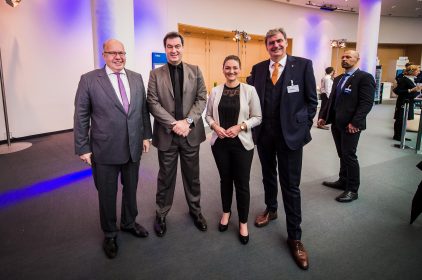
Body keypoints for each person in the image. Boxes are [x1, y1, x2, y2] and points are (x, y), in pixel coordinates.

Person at [74, 39, 152, 259]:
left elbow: (142, 110)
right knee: (107, 194)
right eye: (113, 53)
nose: (119, 57)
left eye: (122, 52)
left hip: (133, 146)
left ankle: (129, 222)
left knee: (131, 189)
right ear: (104, 55)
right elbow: (81, 116)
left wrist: (146, 135)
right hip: (104, 149)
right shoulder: (89, 80)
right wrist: (83, 147)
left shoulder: (136, 78)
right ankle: (109, 233)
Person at [247, 28, 318, 270]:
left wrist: (303, 126)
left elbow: (312, 101)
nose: (275, 45)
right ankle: (271, 209)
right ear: (266, 46)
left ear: (285, 43)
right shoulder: (257, 69)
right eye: (270, 42)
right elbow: (250, 100)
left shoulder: (303, 65)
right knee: (268, 176)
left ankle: (295, 237)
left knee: (291, 185)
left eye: (279, 41)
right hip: (264, 135)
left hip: (291, 137)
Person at [147, 32, 208, 237]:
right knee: (166, 177)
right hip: (168, 134)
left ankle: (196, 211)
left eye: (177, 46)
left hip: (190, 134)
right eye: (169, 47)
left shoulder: (195, 70)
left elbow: (201, 99)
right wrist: (175, 124)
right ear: (165, 49)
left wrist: (188, 122)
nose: (174, 50)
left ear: (183, 47)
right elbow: (152, 103)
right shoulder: (155, 74)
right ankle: (161, 214)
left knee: (193, 177)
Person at [206, 55, 262, 245]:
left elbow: (258, 116)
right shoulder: (215, 91)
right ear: (223, 69)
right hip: (220, 144)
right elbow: (207, 116)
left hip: (242, 144)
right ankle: (226, 212)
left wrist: (241, 126)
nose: (231, 71)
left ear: (240, 69)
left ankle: (243, 222)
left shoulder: (250, 90)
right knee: (225, 180)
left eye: (235, 68)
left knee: (242, 183)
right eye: (227, 68)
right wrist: (215, 127)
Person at [318, 50, 375, 203]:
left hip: (351, 125)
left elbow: (366, 103)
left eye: (348, 57)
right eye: (343, 57)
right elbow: (331, 100)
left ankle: (352, 189)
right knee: (342, 154)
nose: (344, 59)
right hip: (337, 123)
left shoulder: (365, 78)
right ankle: (343, 180)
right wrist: (323, 116)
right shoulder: (338, 78)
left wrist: (356, 122)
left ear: (357, 59)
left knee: (349, 156)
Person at [393, 65, 422, 141]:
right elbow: (397, 90)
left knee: (403, 119)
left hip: (408, 101)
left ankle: (401, 135)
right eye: (417, 71)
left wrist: (417, 91)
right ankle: (398, 136)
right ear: (412, 71)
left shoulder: (411, 79)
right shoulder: (404, 79)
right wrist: (410, 90)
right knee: (400, 119)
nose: (419, 72)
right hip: (403, 102)